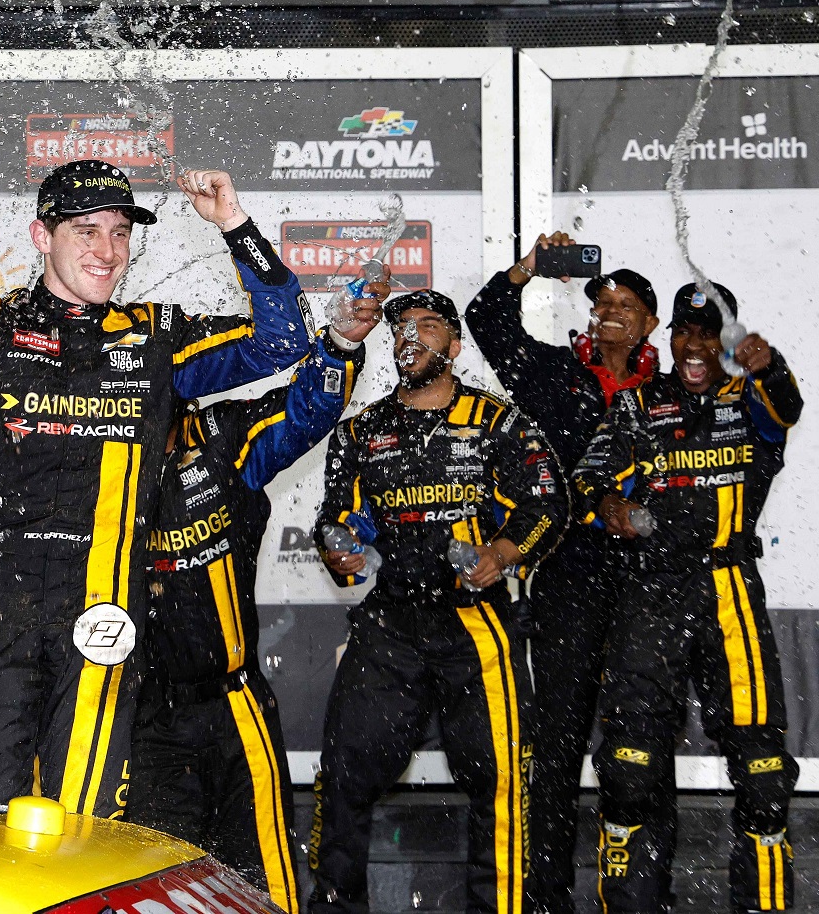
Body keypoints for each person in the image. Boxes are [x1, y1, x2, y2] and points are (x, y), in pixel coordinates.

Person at [0, 158, 314, 817]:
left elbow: (283, 340)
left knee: (84, 827)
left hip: (102, 618)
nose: (107, 251)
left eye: (119, 233)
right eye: (86, 231)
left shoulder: (156, 337)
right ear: (40, 236)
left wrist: (234, 223)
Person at [310, 290, 567, 914]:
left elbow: (548, 505)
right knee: (343, 778)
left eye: (427, 326)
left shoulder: (499, 422)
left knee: (502, 783)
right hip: (389, 625)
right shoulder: (361, 432)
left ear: (453, 344)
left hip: (477, 626)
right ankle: (335, 905)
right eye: (401, 327)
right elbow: (336, 519)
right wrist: (336, 549)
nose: (410, 337)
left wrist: (501, 554)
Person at [130, 286, 383, 910]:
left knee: (264, 879)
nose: (141, 392)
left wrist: (343, 343)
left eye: (155, 373)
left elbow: (304, 412)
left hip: (234, 703)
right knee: (155, 885)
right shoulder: (81, 461)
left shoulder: (220, 438)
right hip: (140, 715)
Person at [573, 282, 802, 913]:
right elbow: (587, 478)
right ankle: (633, 904)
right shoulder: (639, 404)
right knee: (628, 763)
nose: (694, 345)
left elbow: (788, 406)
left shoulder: (749, 398)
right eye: (684, 332)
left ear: (725, 341)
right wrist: (608, 506)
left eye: (707, 334)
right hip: (653, 590)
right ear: (668, 337)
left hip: (730, 589)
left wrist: (770, 364)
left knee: (762, 774)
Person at [464, 233, 660, 914]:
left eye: (626, 303)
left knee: (641, 743)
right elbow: (486, 321)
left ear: (649, 324)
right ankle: (546, 895)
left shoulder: (671, 391)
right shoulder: (554, 374)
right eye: (601, 299)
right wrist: (526, 270)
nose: (610, 310)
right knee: (556, 741)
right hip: (569, 574)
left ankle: (640, 890)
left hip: (654, 584)